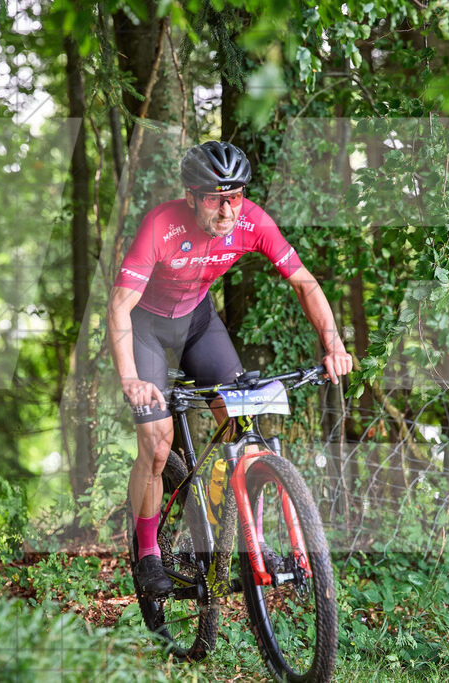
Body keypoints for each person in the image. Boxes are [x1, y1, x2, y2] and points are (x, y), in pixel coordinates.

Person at [108, 141, 354, 595]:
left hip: (199, 322)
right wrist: (131, 379)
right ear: (191, 195)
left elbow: (304, 281)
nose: (227, 211)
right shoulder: (162, 226)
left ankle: (251, 542)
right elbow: (119, 307)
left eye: (235, 196)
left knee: (241, 430)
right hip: (146, 328)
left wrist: (334, 344)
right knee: (158, 447)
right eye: (214, 198)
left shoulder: (253, 222)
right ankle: (146, 552)